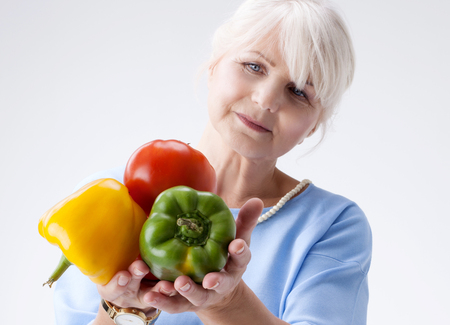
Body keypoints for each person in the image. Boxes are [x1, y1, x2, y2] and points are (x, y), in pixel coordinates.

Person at [53, 0, 372, 324]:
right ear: (213, 66)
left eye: (299, 91)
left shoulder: (332, 225)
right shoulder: (109, 195)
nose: (266, 100)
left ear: (314, 124)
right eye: (254, 66)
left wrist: (228, 303)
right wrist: (122, 310)